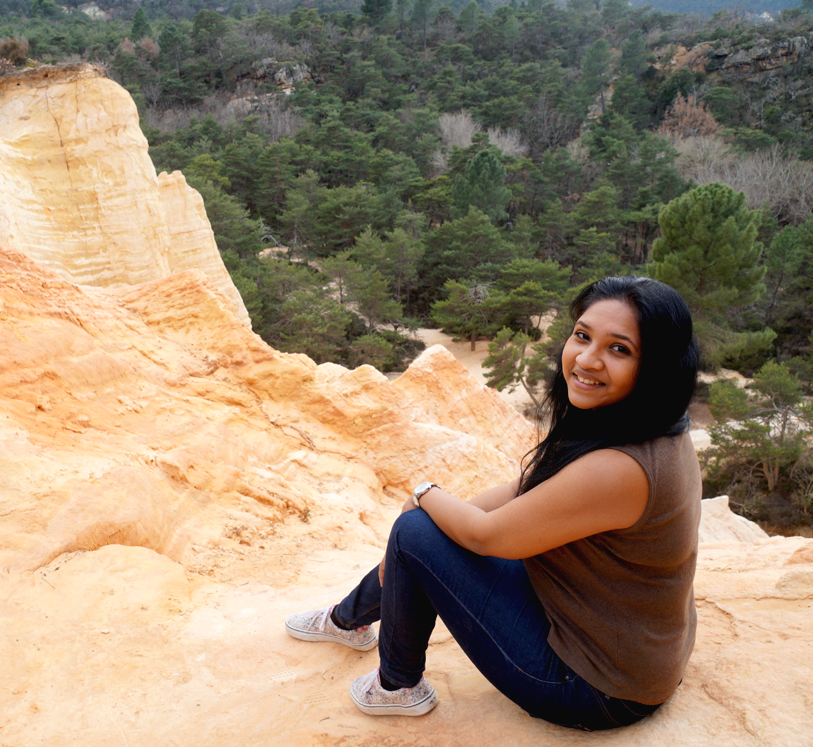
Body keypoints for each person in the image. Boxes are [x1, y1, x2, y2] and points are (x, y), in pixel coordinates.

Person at [285, 276, 702, 730]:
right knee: (428, 533)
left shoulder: (621, 467)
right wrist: (429, 530)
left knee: (417, 531)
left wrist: (422, 496)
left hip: (595, 687)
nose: (586, 359)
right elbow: (527, 490)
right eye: (582, 336)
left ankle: (396, 686)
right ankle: (349, 620)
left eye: (618, 349)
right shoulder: (652, 426)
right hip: (619, 644)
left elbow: (487, 536)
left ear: (656, 366)